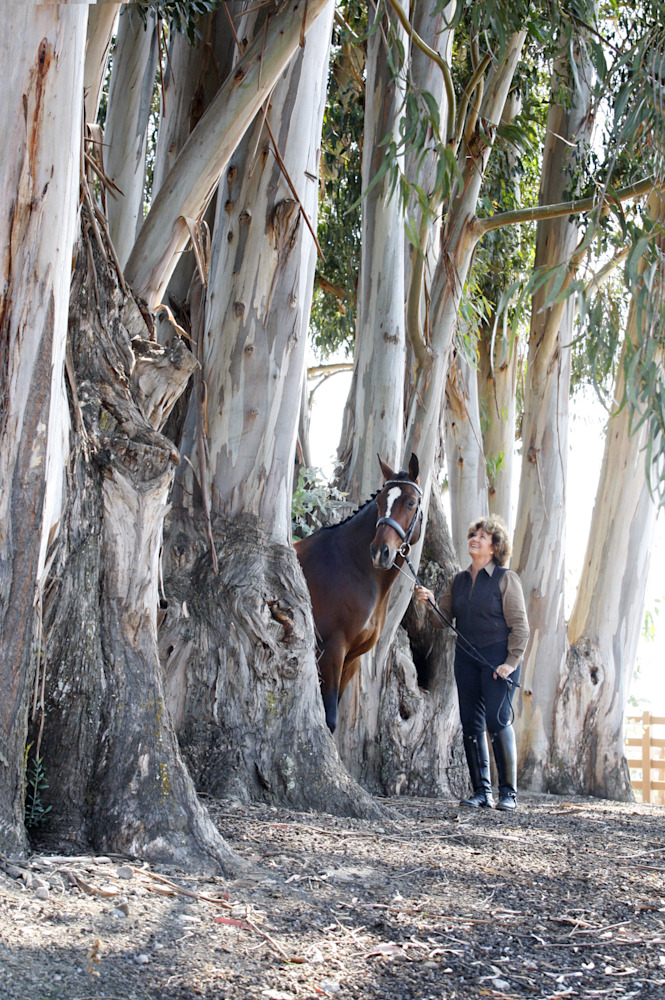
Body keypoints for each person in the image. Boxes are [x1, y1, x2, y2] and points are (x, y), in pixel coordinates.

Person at [415, 516, 529, 811]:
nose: (474, 539)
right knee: (471, 724)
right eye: (473, 535)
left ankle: (508, 795)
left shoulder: (506, 579)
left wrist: (510, 663)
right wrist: (430, 603)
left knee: (497, 721)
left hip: (498, 661)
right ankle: (482, 793)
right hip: (465, 659)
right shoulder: (458, 580)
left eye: (482, 536)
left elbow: (520, 627)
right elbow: (442, 622)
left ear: (495, 547)